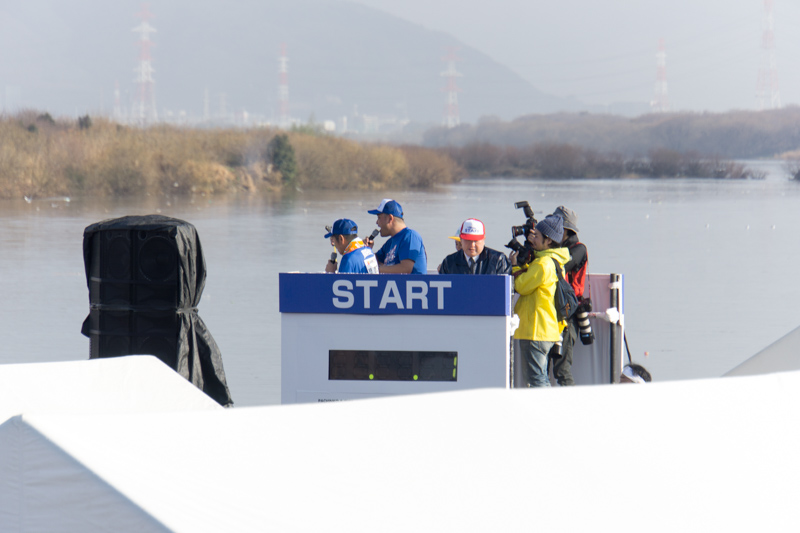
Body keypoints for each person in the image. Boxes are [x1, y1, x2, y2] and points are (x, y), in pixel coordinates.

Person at [509, 214, 571, 387]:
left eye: (536, 236)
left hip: (536, 330)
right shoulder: (555, 261)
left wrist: (515, 266)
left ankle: (546, 405)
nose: (532, 239)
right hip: (545, 329)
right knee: (540, 377)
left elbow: (521, 286)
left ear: (548, 240)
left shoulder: (543, 264)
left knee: (536, 379)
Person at [547, 205, 590, 386]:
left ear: (565, 229)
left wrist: (544, 245)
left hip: (568, 312)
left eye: (555, 225)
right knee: (542, 367)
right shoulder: (553, 247)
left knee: (562, 369)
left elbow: (560, 266)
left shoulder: (579, 249)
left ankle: (572, 401)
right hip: (550, 311)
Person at [367, 199, 427, 274]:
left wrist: (376, 269)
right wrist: (366, 250)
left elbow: (405, 269)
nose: (377, 222)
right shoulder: (390, 242)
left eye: (379, 218)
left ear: (390, 218)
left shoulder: (410, 236)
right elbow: (373, 261)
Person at [439, 218, 512, 275]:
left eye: (476, 240)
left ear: (483, 240)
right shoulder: (449, 262)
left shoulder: (499, 261)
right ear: (461, 239)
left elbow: (505, 288)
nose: (472, 245)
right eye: (468, 240)